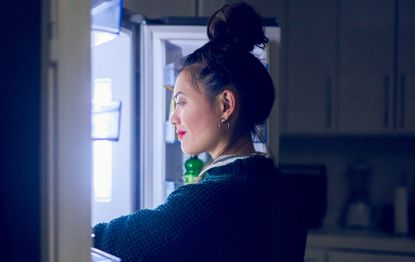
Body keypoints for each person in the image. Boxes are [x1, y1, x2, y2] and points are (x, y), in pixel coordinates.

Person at [93, 2, 307, 261]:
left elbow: (110, 243)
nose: (173, 117)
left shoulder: (212, 200)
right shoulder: (279, 186)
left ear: (225, 105)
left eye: (181, 102)